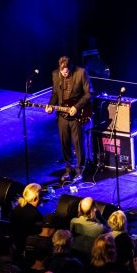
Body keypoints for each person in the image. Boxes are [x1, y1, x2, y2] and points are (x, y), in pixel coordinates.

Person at [47, 55, 93, 183]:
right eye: (62, 72)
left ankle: (80, 170)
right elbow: (55, 94)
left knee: (78, 143)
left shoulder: (81, 73)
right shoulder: (56, 75)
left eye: (66, 72)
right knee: (64, 142)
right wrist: (51, 105)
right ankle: (68, 169)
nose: (64, 75)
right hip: (62, 115)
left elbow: (89, 93)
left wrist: (77, 107)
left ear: (70, 68)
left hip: (77, 114)